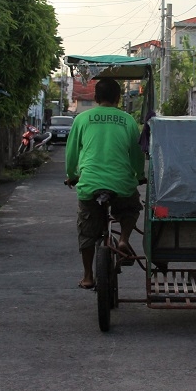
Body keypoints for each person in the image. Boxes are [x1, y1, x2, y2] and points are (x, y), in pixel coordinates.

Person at [65, 77, 145, 289]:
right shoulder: (127, 120)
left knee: (87, 230)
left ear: (95, 97)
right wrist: (139, 175)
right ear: (118, 98)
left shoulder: (82, 119)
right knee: (130, 209)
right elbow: (137, 153)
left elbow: (71, 152)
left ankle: (88, 276)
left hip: (90, 183)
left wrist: (71, 174)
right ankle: (123, 239)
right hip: (122, 184)